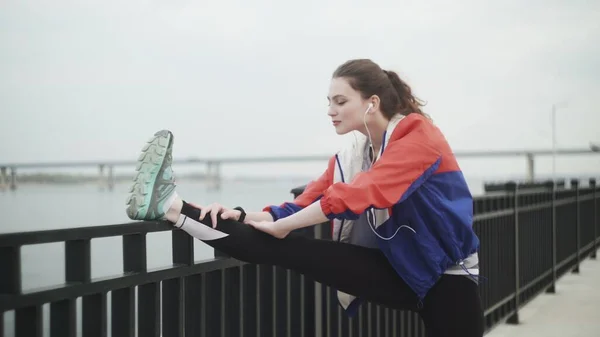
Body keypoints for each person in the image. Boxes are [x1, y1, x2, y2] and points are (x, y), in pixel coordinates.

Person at [126, 59, 484, 337]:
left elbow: (363, 192)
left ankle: (171, 205)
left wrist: (284, 225)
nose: (330, 110)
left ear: (372, 103)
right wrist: (242, 214)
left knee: (284, 235)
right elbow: (298, 206)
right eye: (328, 101)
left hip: (447, 277)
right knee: (284, 245)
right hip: (400, 269)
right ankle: (172, 206)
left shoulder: (417, 136)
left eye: (341, 101)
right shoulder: (351, 157)